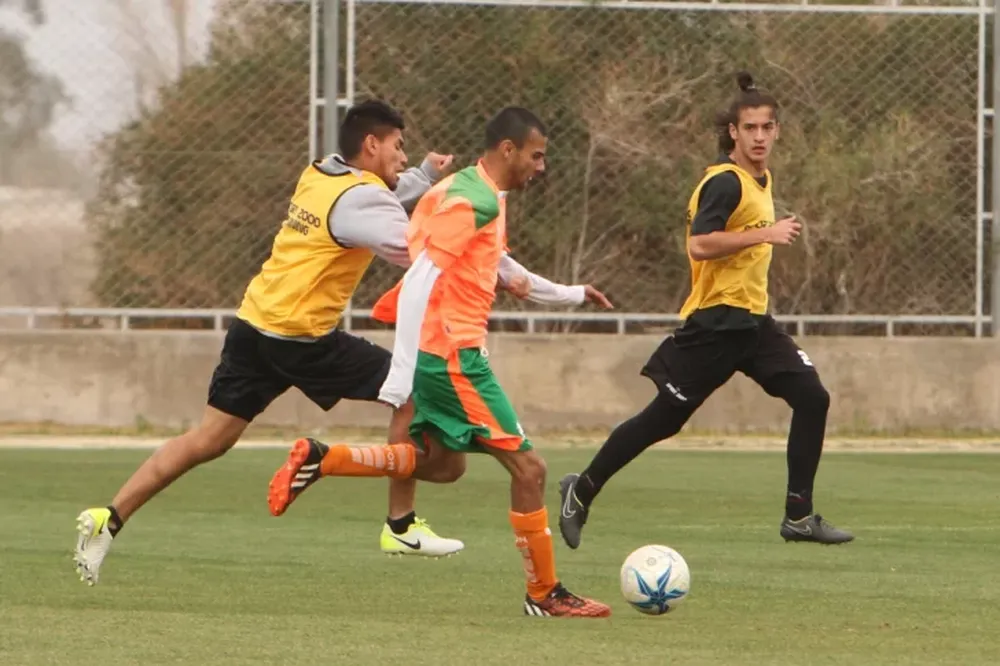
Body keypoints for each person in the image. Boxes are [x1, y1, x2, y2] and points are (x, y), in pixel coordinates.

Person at [75, 100, 469, 585]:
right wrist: (467, 238)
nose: (403, 156)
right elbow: (413, 249)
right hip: (302, 339)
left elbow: (382, 195)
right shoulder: (363, 198)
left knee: (207, 440)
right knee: (409, 393)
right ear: (372, 144)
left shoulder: (321, 174)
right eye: (398, 145)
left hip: (253, 326)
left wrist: (426, 174)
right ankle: (401, 525)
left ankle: (107, 519)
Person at [268, 106, 616, 617]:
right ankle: (544, 593)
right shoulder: (472, 200)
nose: (541, 168)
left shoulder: (468, 191)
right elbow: (421, 279)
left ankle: (327, 459)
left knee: (444, 465)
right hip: (454, 358)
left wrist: (571, 294)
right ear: (508, 150)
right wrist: (401, 372)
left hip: (442, 354)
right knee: (529, 468)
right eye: (536, 157)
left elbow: (505, 272)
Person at [557, 72, 854, 550]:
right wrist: (765, 233)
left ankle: (798, 515)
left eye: (767, 127)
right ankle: (582, 490)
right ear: (733, 132)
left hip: (753, 324)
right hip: (715, 323)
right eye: (750, 128)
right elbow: (699, 245)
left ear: (777, 130)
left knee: (812, 397)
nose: (759, 136)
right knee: (664, 420)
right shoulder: (724, 183)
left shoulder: (762, 179)